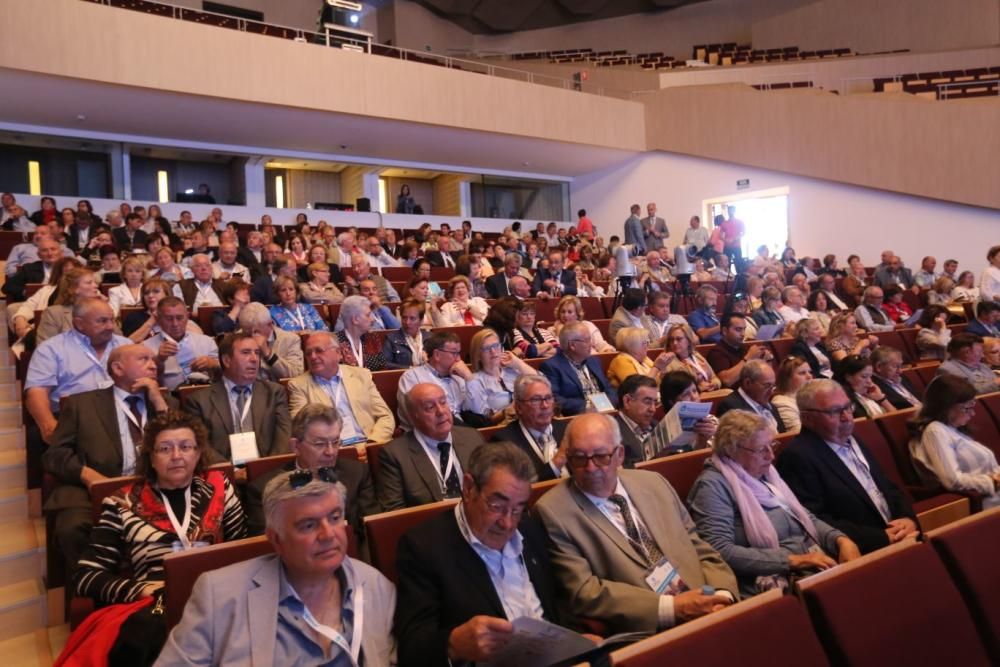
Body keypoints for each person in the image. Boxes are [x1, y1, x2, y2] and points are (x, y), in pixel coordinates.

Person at [157, 469, 395, 666]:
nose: (328, 534)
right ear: (277, 540)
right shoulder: (219, 596)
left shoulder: (376, 586)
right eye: (309, 525)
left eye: (334, 518)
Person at [63, 411, 246, 663]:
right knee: (150, 634)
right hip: (159, 601)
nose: (177, 456)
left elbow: (243, 550)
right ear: (150, 457)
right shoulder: (121, 503)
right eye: (165, 448)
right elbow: (87, 577)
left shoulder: (219, 487)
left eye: (185, 447)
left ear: (198, 453)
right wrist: (142, 589)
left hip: (217, 594)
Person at [534, 413, 737, 633]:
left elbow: (697, 545)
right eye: (579, 458)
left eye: (601, 456)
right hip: (651, 626)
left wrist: (721, 595)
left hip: (708, 603)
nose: (590, 468)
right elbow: (584, 591)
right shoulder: (553, 511)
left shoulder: (654, 483)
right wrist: (671, 608)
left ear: (620, 454)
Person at [395, 441, 573, 666]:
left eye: (517, 509)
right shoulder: (423, 546)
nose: (508, 523)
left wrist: (578, 641)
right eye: (497, 506)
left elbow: (556, 602)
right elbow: (412, 649)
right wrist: (453, 644)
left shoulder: (529, 528)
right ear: (469, 488)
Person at [688, 410, 861, 598]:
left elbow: (803, 517)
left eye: (772, 445)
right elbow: (719, 550)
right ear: (732, 450)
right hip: (768, 583)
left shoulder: (764, 474)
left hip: (811, 562)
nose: (770, 456)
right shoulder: (712, 485)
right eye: (761, 449)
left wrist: (840, 540)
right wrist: (793, 560)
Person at [42, 344, 174, 572]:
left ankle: (159, 584)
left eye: (153, 360)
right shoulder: (82, 404)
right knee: (72, 527)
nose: (153, 365)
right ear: (118, 368)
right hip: (98, 485)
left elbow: (185, 446)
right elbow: (54, 455)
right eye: (144, 359)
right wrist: (88, 475)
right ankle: (96, 588)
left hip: (155, 486)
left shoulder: (164, 403)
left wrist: (159, 402)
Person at [777, 379, 919, 554]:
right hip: (863, 551)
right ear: (807, 418)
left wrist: (908, 518)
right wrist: (880, 538)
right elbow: (814, 520)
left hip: (901, 536)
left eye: (847, 407)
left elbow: (887, 487)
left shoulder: (854, 439)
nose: (847, 417)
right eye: (835, 411)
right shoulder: (798, 457)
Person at [244, 404, 380, 546]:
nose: (331, 452)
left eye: (335, 442)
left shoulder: (356, 473)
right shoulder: (263, 489)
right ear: (295, 446)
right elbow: (266, 546)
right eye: (320, 444)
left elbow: (371, 531)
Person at [25, 298, 132, 445]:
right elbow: (37, 391)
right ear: (79, 323)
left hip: (122, 412)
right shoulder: (51, 349)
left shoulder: (125, 345)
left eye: (112, 320)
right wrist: (48, 424)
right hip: (73, 419)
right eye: (102, 321)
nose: (110, 327)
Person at [182, 333, 291, 463]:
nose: (254, 359)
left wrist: (266, 468)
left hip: (268, 473)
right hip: (223, 475)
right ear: (226, 360)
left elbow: (284, 438)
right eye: (246, 353)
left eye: (257, 353)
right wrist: (230, 471)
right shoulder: (198, 401)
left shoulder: (274, 393)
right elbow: (201, 445)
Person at [378, 383, 486, 511]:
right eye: (430, 407)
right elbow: (395, 513)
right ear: (413, 416)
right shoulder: (395, 454)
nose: (441, 411)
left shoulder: (472, 437)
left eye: (443, 402)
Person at [909, 375, 1000, 508]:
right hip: (986, 501)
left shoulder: (953, 429)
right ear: (946, 406)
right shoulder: (935, 431)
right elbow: (952, 480)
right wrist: (993, 482)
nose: (972, 413)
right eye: (967, 408)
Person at [287, 332, 395, 443]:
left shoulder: (361, 375)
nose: (313, 357)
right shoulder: (298, 385)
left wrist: (372, 444)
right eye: (308, 353)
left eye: (319, 351)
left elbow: (385, 416)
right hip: (329, 449)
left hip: (369, 441)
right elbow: (300, 427)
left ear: (338, 353)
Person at [489, 375, 568, 481]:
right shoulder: (504, 442)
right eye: (536, 400)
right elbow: (519, 488)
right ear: (519, 407)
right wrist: (556, 463)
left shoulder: (567, 429)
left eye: (548, 398)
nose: (545, 405)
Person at [462, 329, 538, 427]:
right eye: (486, 348)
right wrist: (509, 409)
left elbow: (541, 383)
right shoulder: (475, 381)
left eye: (496, 345)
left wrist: (518, 363)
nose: (493, 352)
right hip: (504, 427)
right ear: (478, 354)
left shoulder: (512, 369)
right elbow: (483, 419)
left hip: (531, 419)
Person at [540, 322, 617, 416]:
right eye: (587, 340)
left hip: (606, 412)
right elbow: (554, 399)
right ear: (572, 345)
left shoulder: (594, 361)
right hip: (578, 417)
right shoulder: (551, 367)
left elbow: (609, 388)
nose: (591, 344)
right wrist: (587, 407)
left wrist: (608, 403)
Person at [397, 332, 473, 428]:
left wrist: (469, 378)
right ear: (437, 355)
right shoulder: (412, 377)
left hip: (463, 430)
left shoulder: (459, 376)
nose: (459, 359)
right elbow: (416, 418)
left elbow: (478, 410)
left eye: (459, 353)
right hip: (429, 434)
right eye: (454, 353)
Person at [143, 297, 219, 390]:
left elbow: (226, 374)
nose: (175, 324)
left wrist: (213, 364)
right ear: (158, 320)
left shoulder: (207, 342)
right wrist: (158, 360)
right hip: (169, 397)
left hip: (205, 394)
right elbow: (142, 380)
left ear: (187, 317)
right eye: (169, 319)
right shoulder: (145, 347)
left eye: (179, 318)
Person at [35, 267, 106, 344]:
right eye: (89, 283)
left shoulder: (103, 310)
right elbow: (45, 348)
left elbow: (118, 342)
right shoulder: (54, 313)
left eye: (95, 282)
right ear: (74, 289)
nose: (96, 286)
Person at [237, 302, 305, 381]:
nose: (251, 337)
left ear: (270, 324)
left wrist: (268, 354)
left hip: (277, 390)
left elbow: (296, 373)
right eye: (246, 332)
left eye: (256, 332)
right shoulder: (237, 338)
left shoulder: (290, 340)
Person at [716, 360, 788, 433]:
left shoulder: (771, 406)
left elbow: (784, 435)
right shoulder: (730, 407)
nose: (771, 391)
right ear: (748, 383)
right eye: (767, 386)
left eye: (773, 386)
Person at [706, 313, 772, 389]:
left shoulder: (745, 347)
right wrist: (748, 358)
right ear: (724, 331)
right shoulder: (716, 352)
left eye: (744, 329)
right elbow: (727, 381)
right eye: (738, 330)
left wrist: (766, 360)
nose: (743, 334)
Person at [607, 326, 674, 389]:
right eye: (644, 343)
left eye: (648, 342)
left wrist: (663, 367)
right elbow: (638, 388)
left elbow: (659, 382)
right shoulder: (621, 361)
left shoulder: (645, 359)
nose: (647, 346)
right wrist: (656, 368)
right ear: (631, 346)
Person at [662, 324, 723, 392]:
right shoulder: (667, 361)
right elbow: (672, 390)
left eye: (679, 339)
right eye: (671, 340)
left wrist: (714, 384)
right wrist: (698, 389)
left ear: (688, 340)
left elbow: (714, 378)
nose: (675, 343)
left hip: (710, 392)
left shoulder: (696, 355)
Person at [548, 295, 615, 354]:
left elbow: (601, 345)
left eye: (570, 312)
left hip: (593, 359)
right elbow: (558, 352)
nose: (565, 315)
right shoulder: (552, 331)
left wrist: (607, 351)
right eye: (563, 312)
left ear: (577, 314)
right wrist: (561, 331)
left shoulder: (588, 325)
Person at [835, 354, 896, 419]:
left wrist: (881, 399)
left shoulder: (873, 393)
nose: (869, 381)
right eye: (864, 377)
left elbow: (897, 418)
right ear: (848, 377)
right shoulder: (845, 401)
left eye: (870, 376)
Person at [382, 299, 430, 370]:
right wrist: (410, 368)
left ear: (421, 320)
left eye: (412, 318)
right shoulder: (391, 339)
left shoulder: (430, 338)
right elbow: (385, 364)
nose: (407, 322)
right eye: (404, 318)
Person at [871, 346, 923, 410]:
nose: (900, 371)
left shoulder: (902, 377)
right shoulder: (874, 387)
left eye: (900, 366)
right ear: (879, 366)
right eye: (895, 366)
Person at [770, 356, 813, 434]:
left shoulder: (810, 397)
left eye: (810, 372)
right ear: (787, 378)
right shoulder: (781, 403)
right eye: (802, 373)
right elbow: (799, 434)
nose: (809, 376)